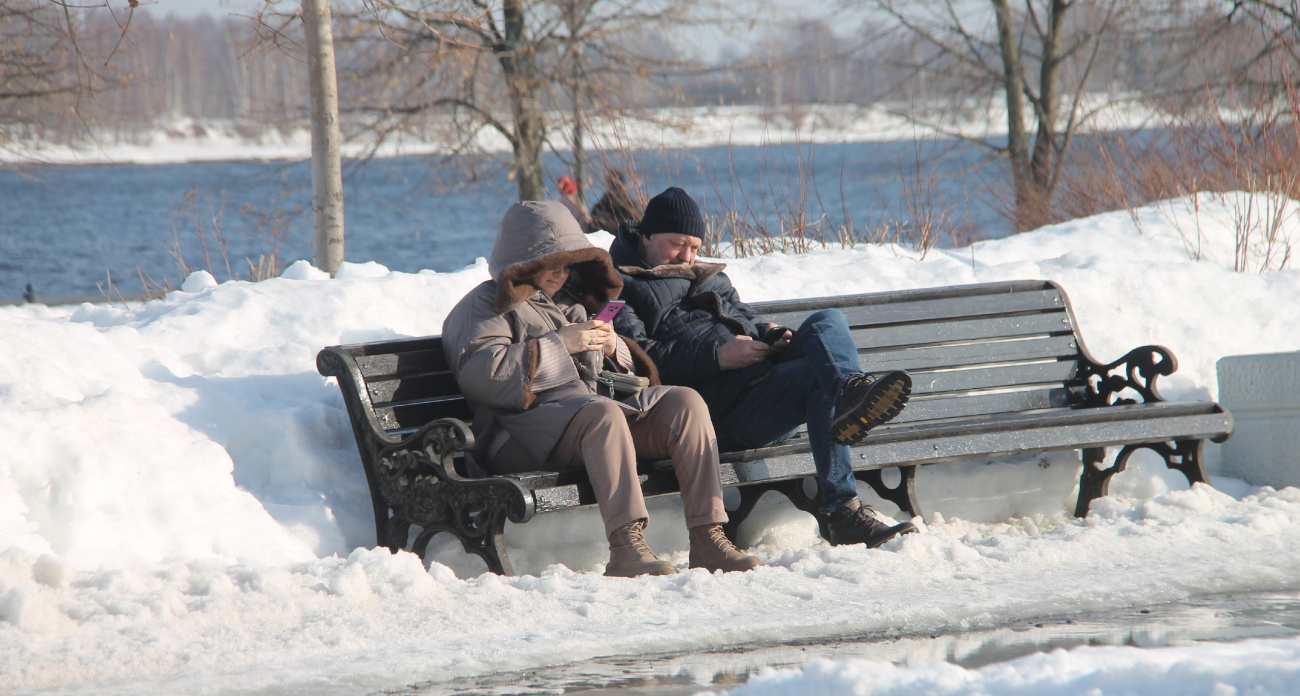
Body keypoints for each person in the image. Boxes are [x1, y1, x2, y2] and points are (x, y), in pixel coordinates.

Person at [441, 200, 762, 576]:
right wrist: (562, 344)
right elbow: (485, 376)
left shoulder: (568, 304)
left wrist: (614, 347)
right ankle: (627, 545)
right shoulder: (483, 306)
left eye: (567, 265)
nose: (561, 274)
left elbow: (606, 375)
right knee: (603, 414)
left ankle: (709, 535)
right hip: (518, 436)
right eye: (552, 263)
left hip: (583, 420)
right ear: (525, 257)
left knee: (684, 403)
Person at [609, 187, 918, 548]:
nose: (688, 256)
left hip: (759, 379)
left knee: (826, 320)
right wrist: (718, 356)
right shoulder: (619, 287)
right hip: (719, 411)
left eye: (695, 246)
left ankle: (851, 391)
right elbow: (637, 356)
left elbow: (745, 315)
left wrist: (768, 332)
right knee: (815, 380)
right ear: (646, 235)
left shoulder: (710, 277)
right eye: (678, 243)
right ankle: (842, 512)